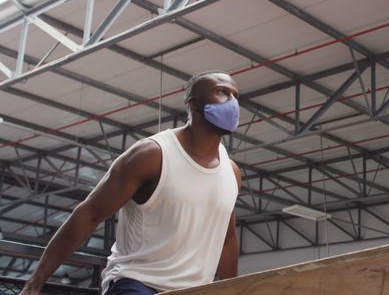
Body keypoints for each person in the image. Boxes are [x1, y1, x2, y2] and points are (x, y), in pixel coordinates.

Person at [20, 72, 243, 295]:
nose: (232, 102)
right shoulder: (152, 155)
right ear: (194, 104)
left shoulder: (231, 173)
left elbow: (227, 241)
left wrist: (235, 291)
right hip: (137, 283)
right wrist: (35, 282)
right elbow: (89, 214)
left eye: (235, 95)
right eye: (222, 92)